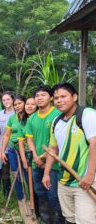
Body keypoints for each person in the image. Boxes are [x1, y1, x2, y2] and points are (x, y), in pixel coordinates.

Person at [42, 83, 96, 224]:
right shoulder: (57, 121)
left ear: (74, 97)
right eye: (56, 98)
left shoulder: (87, 115)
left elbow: (94, 144)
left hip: (84, 181)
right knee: (69, 218)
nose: (59, 100)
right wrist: (46, 173)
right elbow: (53, 149)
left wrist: (90, 176)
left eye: (63, 96)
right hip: (64, 181)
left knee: (85, 220)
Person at [25, 85, 63, 224]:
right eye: (37, 96)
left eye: (43, 95)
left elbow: (58, 141)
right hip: (37, 163)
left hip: (54, 164)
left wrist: (45, 157)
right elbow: (29, 139)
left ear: (51, 97)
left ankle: (59, 221)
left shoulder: (57, 115)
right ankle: (45, 221)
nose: (39, 98)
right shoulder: (32, 118)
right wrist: (36, 156)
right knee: (40, 193)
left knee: (53, 195)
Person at [1, 95, 28, 201]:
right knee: (15, 173)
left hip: (26, 150)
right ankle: (21, 198)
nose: (17, 106)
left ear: (24, 103)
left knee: (27, 173)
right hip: (13, 149)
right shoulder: (12, 118)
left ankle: (31, 198)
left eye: (19, 103)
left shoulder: (30, 117)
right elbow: (7, 135)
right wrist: (3, 151)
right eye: (15, 104)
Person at [0, 91, 15, 194]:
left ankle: (21, 194)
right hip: (3, 149)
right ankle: (7, 194)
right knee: (5, 173)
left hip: (16, 148)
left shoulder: (18, 113)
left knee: (17, 172)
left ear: (12, 100)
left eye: (8, 99)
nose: (6, 101)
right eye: (3, 100)